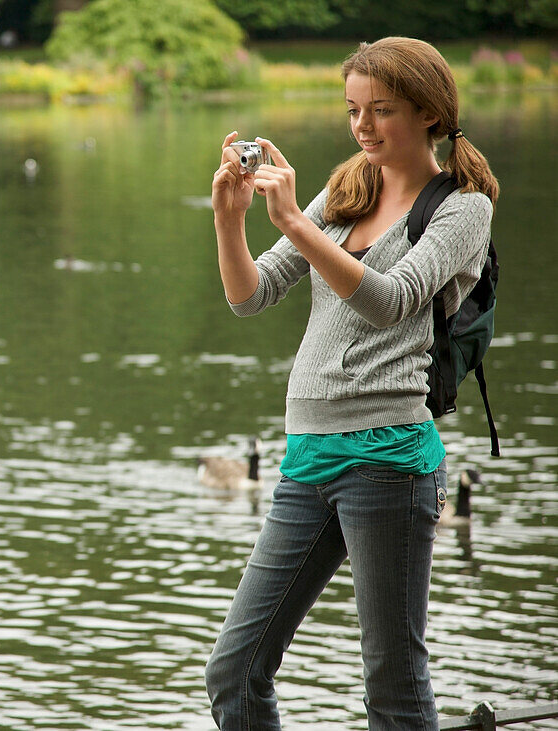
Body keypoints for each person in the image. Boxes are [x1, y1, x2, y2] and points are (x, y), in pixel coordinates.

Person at [203, 37, 498, 730]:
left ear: (428, 112)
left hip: (389, 459)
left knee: (391, 685)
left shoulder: (462, 208)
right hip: (308, 454)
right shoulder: (347, 189)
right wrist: (229, 217)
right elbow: (249, 295)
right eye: (352, 110)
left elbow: (392, 298)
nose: (362, 126)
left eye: (381, 110)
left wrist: (298, 225)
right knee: (235, 669)